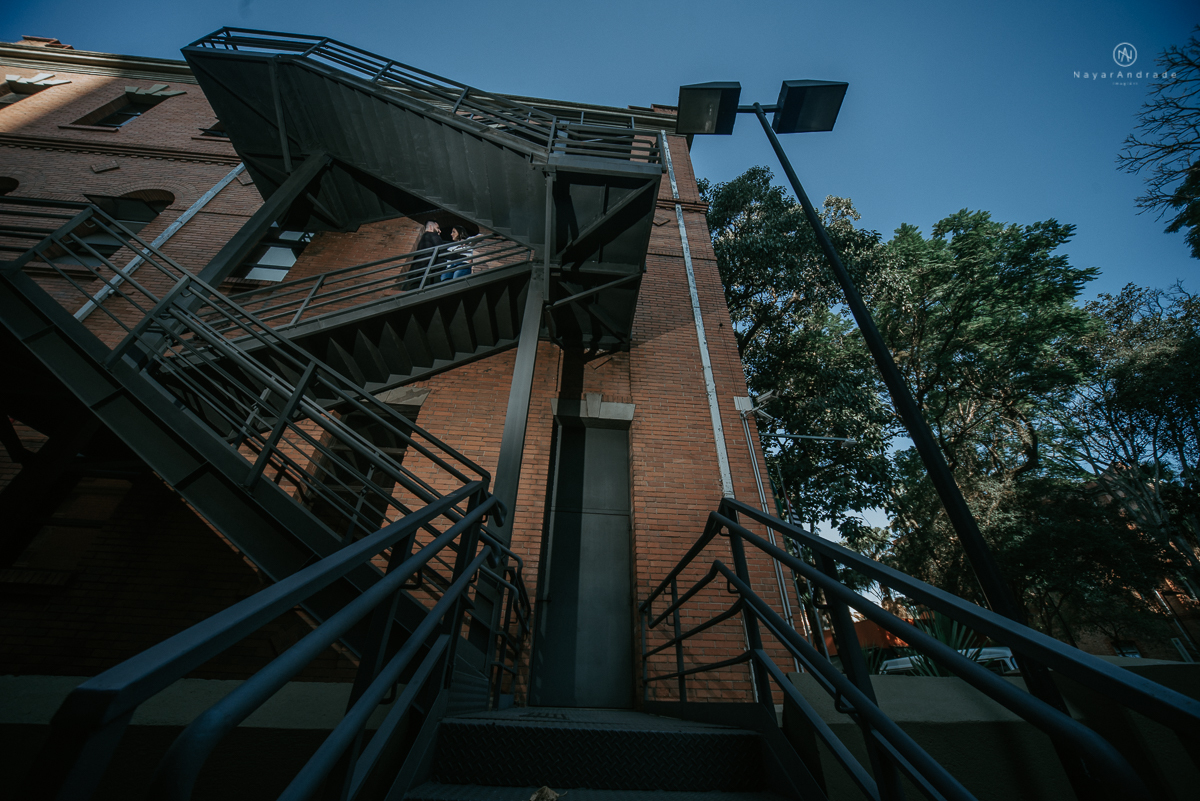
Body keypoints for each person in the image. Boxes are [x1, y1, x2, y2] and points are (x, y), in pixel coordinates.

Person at [402, 220, 446, 289]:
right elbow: (442, 251)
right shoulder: (432, 235)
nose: (440, 231)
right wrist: (461, 257)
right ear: (431, 227)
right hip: (427, 273)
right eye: (438, 228)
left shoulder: (423, 239)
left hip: (415, 274)